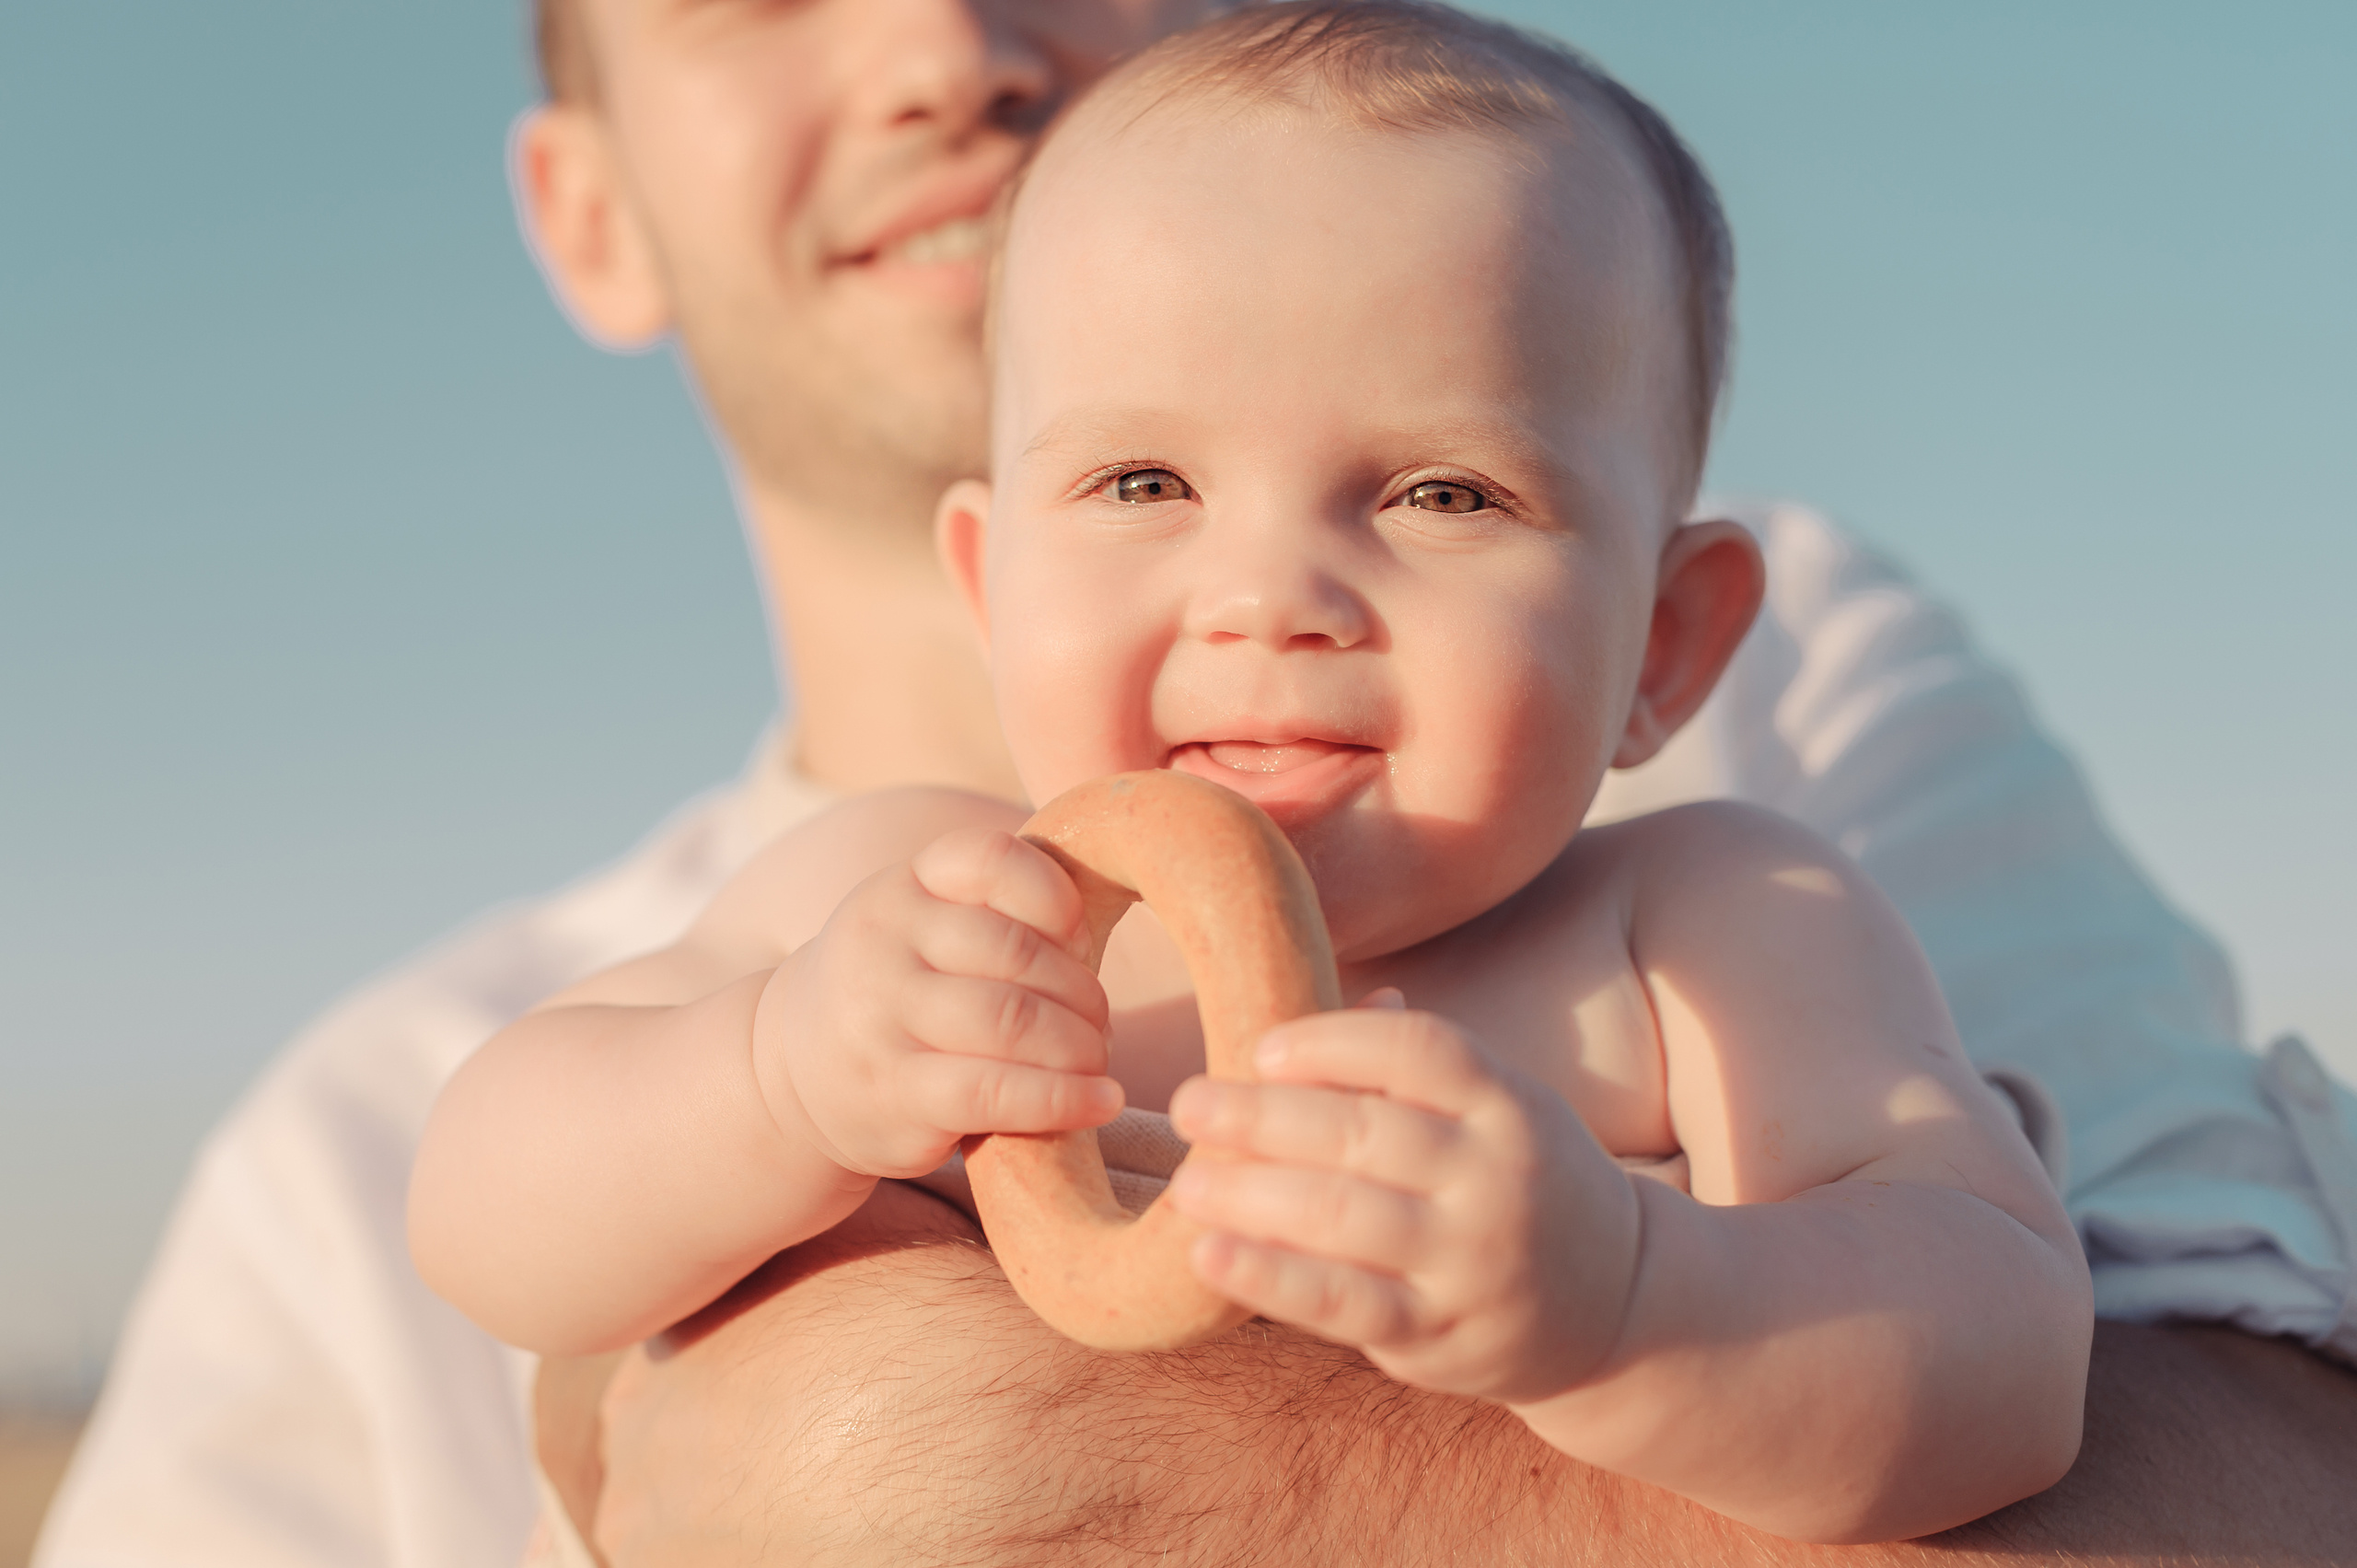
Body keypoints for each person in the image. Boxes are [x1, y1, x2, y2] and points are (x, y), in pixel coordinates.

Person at [37, 0, 2356, 1563]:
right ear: (991, 569)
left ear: (1664, 643)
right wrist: (766, 1071)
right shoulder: (904, 900)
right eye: (1140, 482)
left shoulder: (1725, 920)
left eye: (1440, 496)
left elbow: (1998, 1360)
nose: (1271, 600)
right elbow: (490, 1199)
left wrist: (1629, 1289)